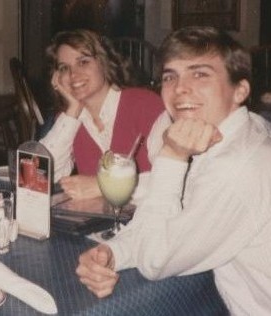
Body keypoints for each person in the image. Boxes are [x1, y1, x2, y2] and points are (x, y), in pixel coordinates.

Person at [76, 26, 271, 315]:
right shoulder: (242, 128)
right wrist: (113, 252)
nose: (180, 88)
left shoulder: (238, 166)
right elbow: (172, 211)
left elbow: (156, 259)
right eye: (170, 76)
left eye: (200, 73)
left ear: (240, 90)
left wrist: (172, 156)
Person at [39, 29, 164, 200]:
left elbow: (171, 176)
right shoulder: (69, 119)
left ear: (103, 62)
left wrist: (102, 186)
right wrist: (73, 109)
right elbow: (41, 176)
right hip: (100, 222)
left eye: (83, 62)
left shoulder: (145, 104)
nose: (73, 74)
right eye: (64, 68)